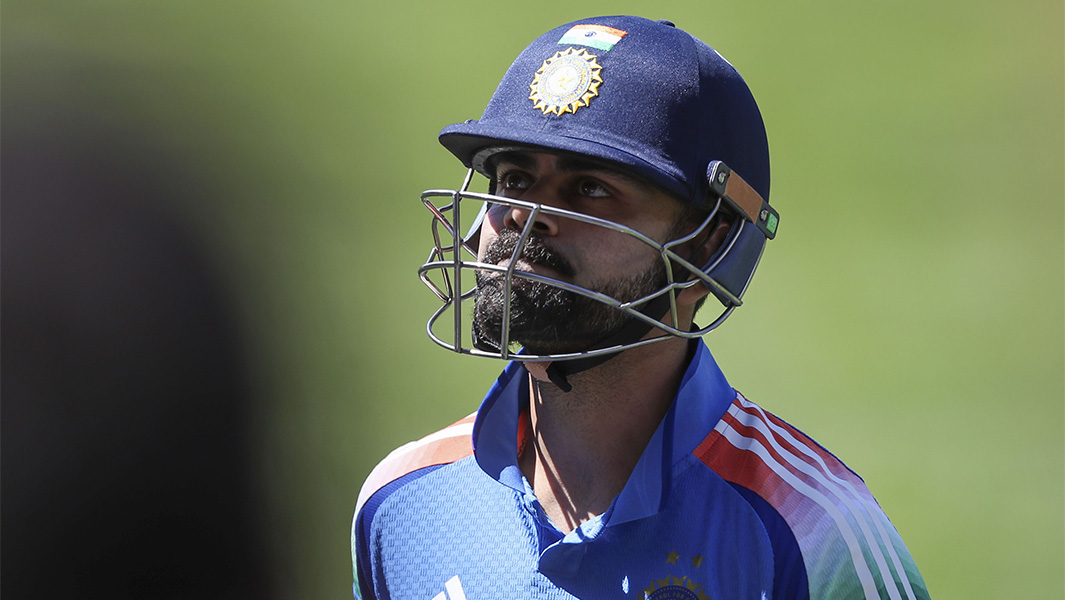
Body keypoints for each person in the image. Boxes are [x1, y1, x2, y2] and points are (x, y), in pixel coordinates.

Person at [351, 15, 930, 600]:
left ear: (709, 242)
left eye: (590, 188)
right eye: (515, 179)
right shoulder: (400, 500)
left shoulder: (811, 531)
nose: (528, 214)